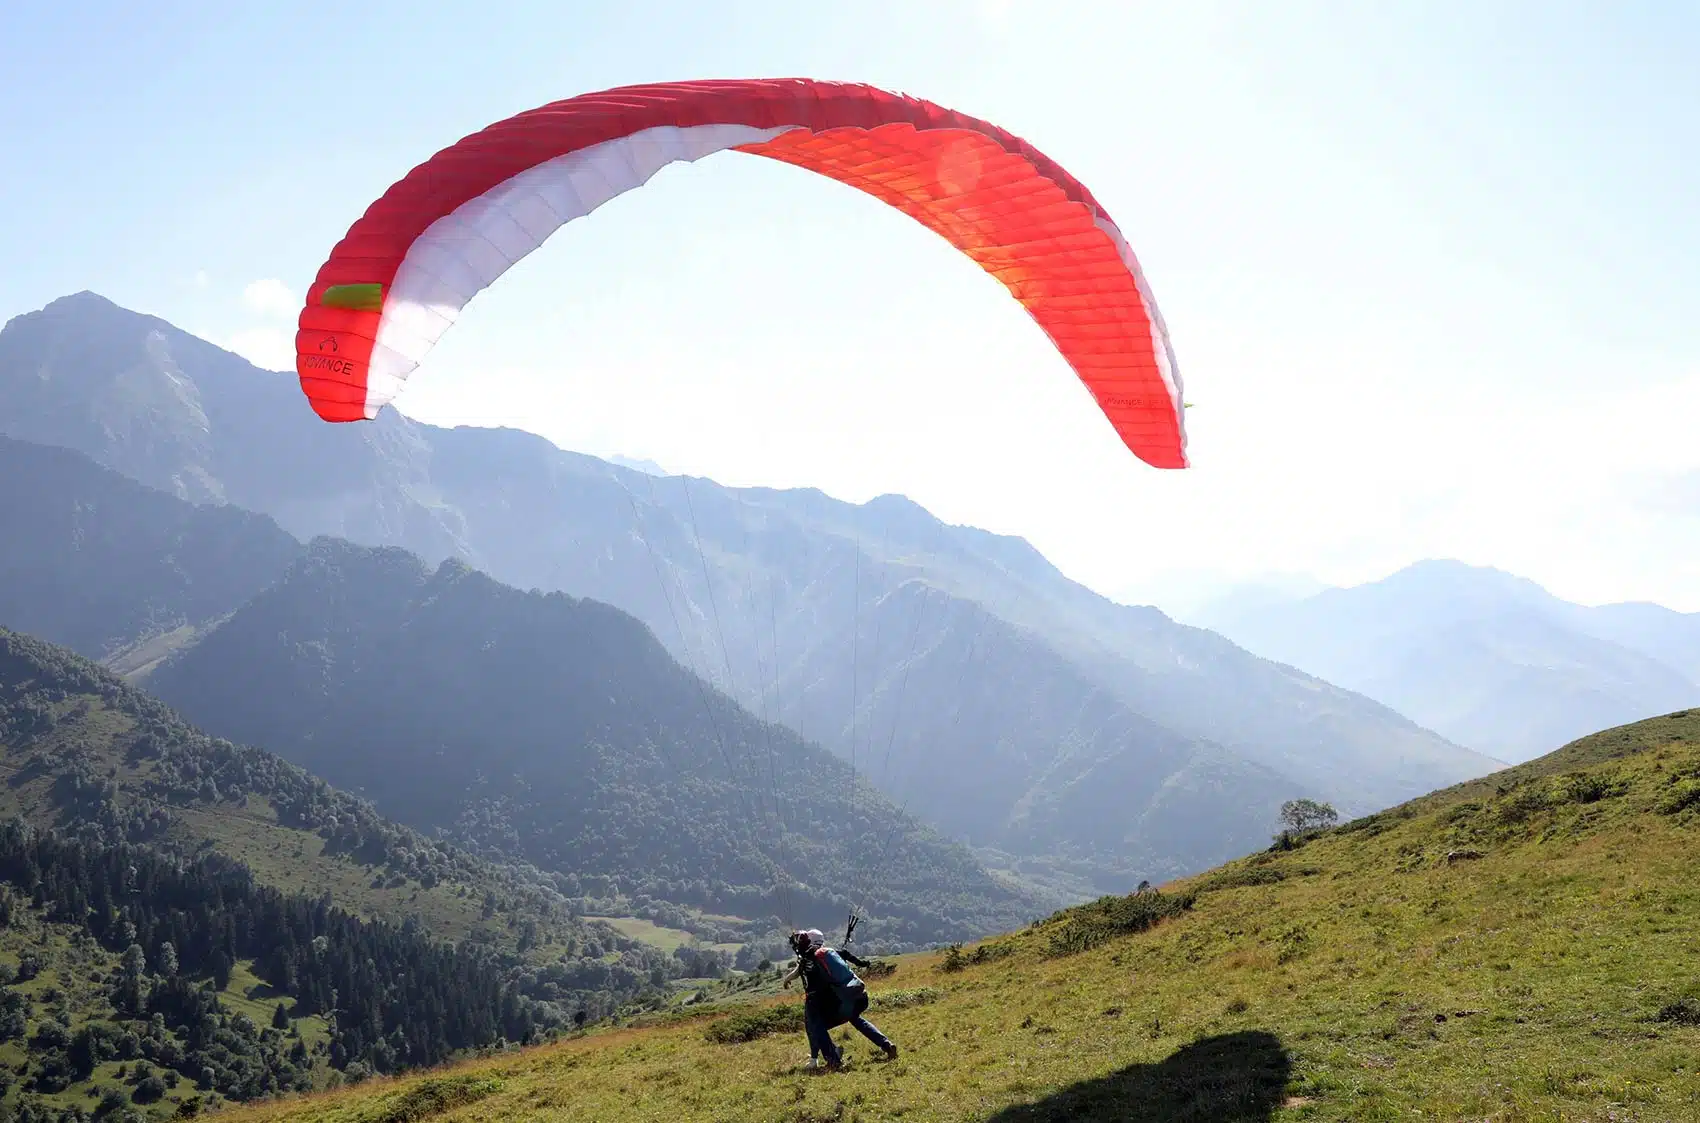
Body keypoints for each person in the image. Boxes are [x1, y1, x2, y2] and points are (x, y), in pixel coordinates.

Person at [781, 928, 899, 1070]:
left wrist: (788, 979)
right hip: (857, 997)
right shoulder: (830, 953)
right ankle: (886, 1044)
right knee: (855, 1019)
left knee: (816, 1026)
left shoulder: (810, 961)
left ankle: (833, 1059)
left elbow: (804, 973)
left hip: (837, 1003)